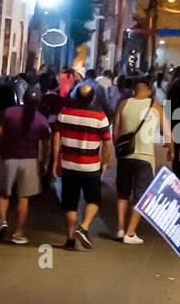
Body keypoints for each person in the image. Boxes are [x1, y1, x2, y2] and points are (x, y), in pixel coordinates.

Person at [52, 82, 112, 250]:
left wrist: (56, 161)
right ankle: (84, 227)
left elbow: (56, 139)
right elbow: (107, 143)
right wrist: (105, 161)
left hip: (69, 165)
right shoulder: (100, 117)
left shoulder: (64, 114)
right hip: (91, 167)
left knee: (70, 203)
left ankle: (70, 238)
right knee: (94, 200)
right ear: (93, 98)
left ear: (76, 97)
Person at [113, 77, 169, 244]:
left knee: (123, 193)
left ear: (133, 91)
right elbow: (166, 132)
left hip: (125, 156)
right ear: (150, 92)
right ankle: (130, 233)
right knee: (141, 196)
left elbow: (115, 132)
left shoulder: (124, 104)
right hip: (145, 157)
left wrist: (120, 148)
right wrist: (171, 149)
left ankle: (120, 228)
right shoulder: (156, 107)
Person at [0, 89, 51, 245]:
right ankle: (18, 232)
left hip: (8, 158)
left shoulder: (9, 113)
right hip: (30, 161)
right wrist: (45, 161)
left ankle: (2, 221)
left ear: (22, 99)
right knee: (23, 197)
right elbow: (46, 145)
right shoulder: (42, 120)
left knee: (4, 193)